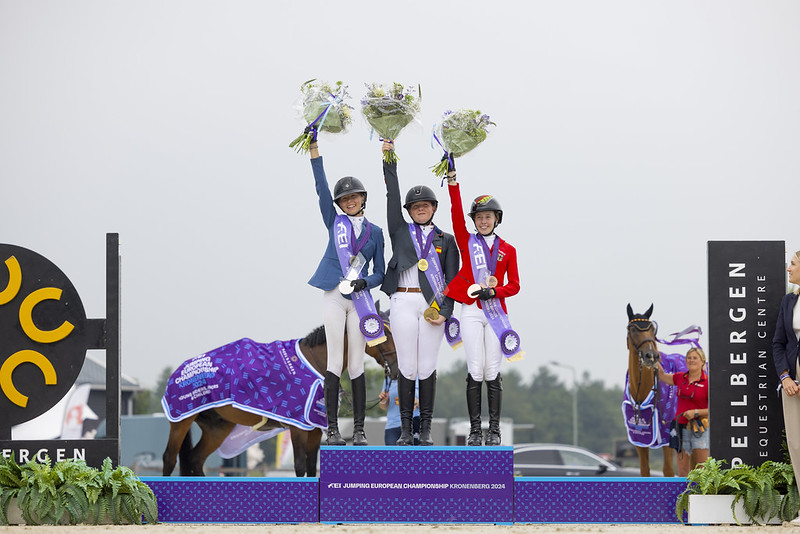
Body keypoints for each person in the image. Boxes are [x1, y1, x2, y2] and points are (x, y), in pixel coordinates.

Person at [380, 140, 459, 446]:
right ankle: (404, 431)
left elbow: (451, 281)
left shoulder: (446, 240)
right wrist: (388, 158)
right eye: (415, 207)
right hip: (402, 299)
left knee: (427, 366)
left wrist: (446, 312)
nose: (420, 209)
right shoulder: (399, 230)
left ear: (433, 208)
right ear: (410, 211)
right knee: (407, 366)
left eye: (425, 205)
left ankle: (424, 430)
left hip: (431, 306)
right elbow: (391, 195)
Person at [308, 138, 385, 446]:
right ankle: (332, 429)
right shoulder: (334, 221)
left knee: (356, 363)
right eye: (345, 198)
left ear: (362, 198)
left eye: (354, 196)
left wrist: (365, 282)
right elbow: (321, 188)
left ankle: (360, 430)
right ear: (339, 203)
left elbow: (380, 271)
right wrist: (315, 153)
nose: (350, 201)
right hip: (333, 295)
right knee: (334, 362)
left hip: (359, 300)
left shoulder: (375, 233)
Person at [442, 163, 520, 446]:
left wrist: (496, 291)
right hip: (471, 311)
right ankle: (475, 429)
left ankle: (494, 429)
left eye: (488, 217)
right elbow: (454, 214)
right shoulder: (467, 242)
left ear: (496, 219)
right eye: (479, 217)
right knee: (475, 368)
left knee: (492, 370)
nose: (483, 221)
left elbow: (515, 285)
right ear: (474, 220)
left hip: (497, 313)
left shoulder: (508, 250)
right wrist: (452, 181)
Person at [773, 249, 800, 512]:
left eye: (792, 264)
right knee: (795, 441)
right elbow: (778, 344)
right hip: (792, 379)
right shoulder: (787, 301)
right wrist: (785, 377)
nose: (788, 269)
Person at [655, 347, 709, 475]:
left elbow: (715, 408)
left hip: (699, 428)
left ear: (702, 362)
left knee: (702, 469)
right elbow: (662, 375)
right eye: (689, 358)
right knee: (683, 471)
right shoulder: (680, 378)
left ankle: (701, 495)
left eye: (695, 358)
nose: (691, 360)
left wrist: (696, 412)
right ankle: (684, 495)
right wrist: (654, 359)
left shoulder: (707, 382)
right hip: (680, 427)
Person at [378, 379, 421, 446]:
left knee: (413, 455)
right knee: (392, 455)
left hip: (413, 425)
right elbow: (383, 406)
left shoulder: (419, 376)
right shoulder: (389, 378)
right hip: (393, 426)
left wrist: (415, 402)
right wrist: (383, 400)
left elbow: (428, 405)